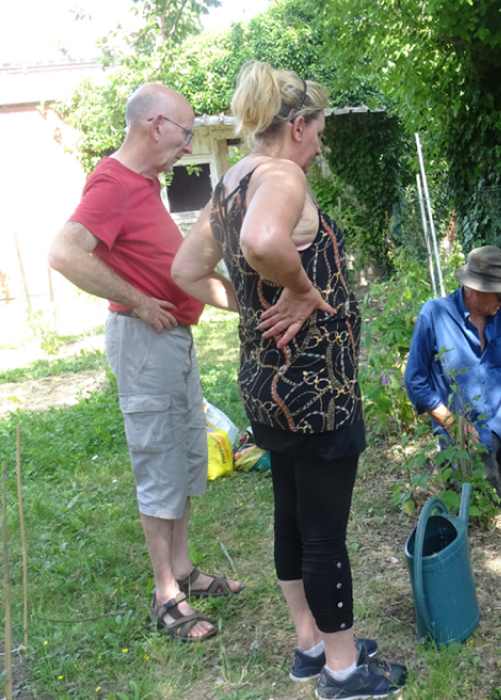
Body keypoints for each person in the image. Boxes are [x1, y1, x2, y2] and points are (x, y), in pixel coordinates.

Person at [171, 61, 405, 698]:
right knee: (325, 530)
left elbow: (187, 269)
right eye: (320, 129)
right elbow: (265, 239)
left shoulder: (233, 180)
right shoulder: (280, 175)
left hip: (265, 382)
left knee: (292, 519)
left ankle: (309, 644)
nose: (322, 141)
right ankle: (343, 667)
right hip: (315, 388)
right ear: (297, 125)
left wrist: (250, 305)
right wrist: (300, 289)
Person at [47, 84, 243, 643]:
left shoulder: (144, 185)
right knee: (158, 462)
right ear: (155, 125)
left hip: (171, 339)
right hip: (144, 341)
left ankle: (182, 569)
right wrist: (136, 299)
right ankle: (165, 594)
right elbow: (63, 251)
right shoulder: (111, 181)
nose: (186, 147)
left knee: (183, 452)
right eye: (184, 134)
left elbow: (166, 262)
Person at [404, 246, 501, 500]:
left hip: (500, 421)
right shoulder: (434, 314)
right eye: (500, 295)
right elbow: (415, 381)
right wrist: (453, 425)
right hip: (462, 428)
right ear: (476, 289)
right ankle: (476, 470)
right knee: (485, 498)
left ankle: (495, 466)